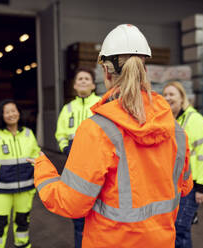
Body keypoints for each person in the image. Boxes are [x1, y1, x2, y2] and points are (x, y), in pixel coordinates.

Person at [29, 24, 193, 248]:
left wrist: (42, 168)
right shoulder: (176, 130)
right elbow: (185, 186)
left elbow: (71, 203)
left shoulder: (97, 129)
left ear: (105, 72)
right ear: (144, 70)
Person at [0, 99, 40, 248]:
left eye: (14, 110)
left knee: (22, 222)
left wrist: (35, 170)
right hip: (2, 189)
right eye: (7, 112)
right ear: (1, 115)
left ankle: (22, 245)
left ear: (19, 113)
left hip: (25, 188)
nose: (11, 114)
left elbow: (36, 154)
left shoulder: (28, 133)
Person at [162, 81, 203, 248]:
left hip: (190, 186)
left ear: (182, 97)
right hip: (171, 185)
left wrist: (201, 187)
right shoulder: (168, 120)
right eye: (165, 94)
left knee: (180, 228)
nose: (167, 98)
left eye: (172, 94)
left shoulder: (195, 120)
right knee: (172, 229)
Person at [55, 67, 101, 248]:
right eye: (79, 79)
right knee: (78, 212)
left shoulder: (101, 105)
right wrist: (65, 148)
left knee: (99, 211)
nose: (83, 81)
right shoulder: (67, 109)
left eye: (86, 78)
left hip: (98, 165)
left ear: (93, 85)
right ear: (74, 86)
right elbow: (60, 134)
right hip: (74, 168)